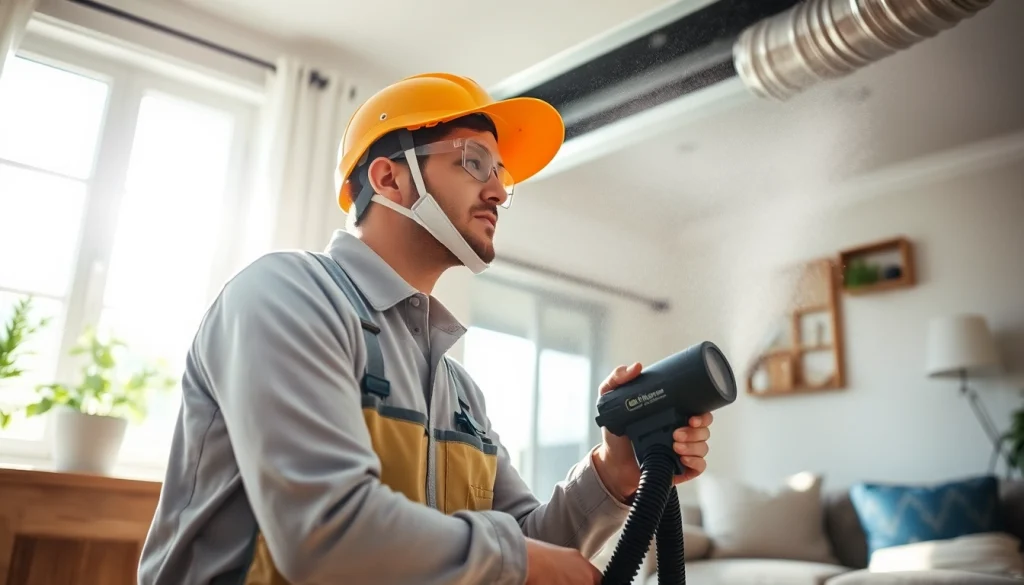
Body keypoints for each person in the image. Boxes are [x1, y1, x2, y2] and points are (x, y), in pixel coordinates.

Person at [137, 72, 714, 585]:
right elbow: (323, 532)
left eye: (501, 174)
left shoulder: (458, 391)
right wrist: (522, 560)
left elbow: (530, 546)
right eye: (473, 162)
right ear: (389, 179)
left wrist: (615, 470)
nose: (498, 191)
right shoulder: (286, 294)